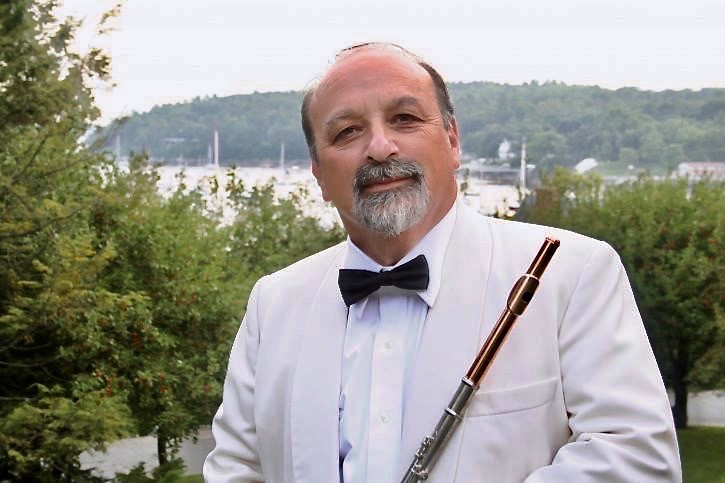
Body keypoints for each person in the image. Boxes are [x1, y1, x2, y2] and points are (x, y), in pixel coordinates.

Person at [203, 43, 680, 482]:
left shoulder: (572, 273)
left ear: (452, 141)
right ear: (318, 174)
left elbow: (636, 460)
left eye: (405, 119)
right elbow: (237, 469)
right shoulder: (274, 302)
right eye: (347, 131)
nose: (380, 147)